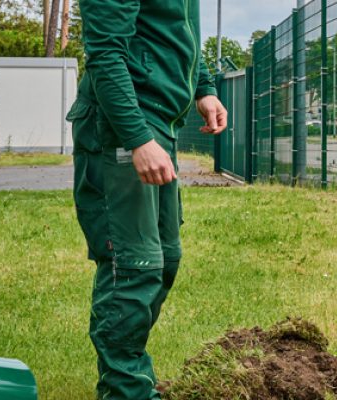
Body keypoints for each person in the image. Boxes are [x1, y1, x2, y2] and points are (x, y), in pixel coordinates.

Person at [66, 0, 227, 397]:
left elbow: (177, 29)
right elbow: (105, 53)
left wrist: (203, 87)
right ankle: (126, 390)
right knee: (133, 265)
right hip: (123, 123)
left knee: (165, 260)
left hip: (159, 122)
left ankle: (129, 375)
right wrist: (137, 138)